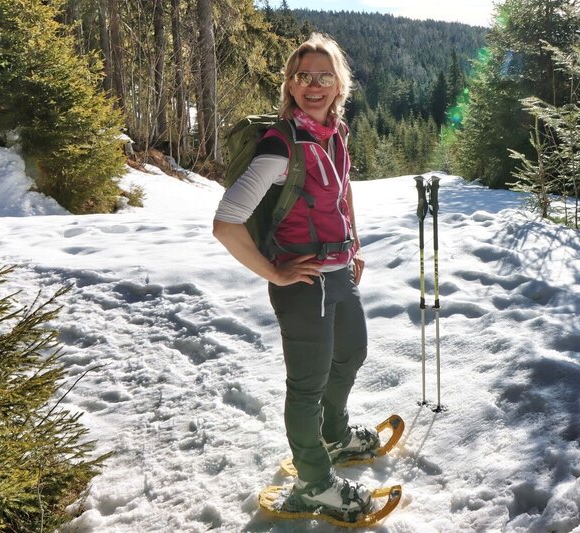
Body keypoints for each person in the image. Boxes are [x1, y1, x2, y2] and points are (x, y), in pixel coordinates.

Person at [212, 33, 378, 517]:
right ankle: (313, 482)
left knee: (351, 352)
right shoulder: (280, 146)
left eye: (325, 76)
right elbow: (227, 222)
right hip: (304, 285)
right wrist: (275, 274)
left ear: (339, 85)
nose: (314, 84)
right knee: (306, 388)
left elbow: (341, 190)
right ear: (289, 83)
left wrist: (355, 244)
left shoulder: (336, 132)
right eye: (303, 75)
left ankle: (335, 435)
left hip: (340, 270)